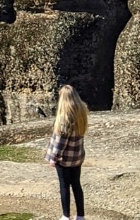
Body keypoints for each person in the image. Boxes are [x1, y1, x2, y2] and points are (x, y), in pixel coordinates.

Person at [45, 84, 88, 220]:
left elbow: (60, 142)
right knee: (76, 184)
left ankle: (65, 215)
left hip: (64, 159)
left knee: (64, 186)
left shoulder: (64, 118)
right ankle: (80, 215)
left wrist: (53, 158)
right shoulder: (81, 112)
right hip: (77, 156)